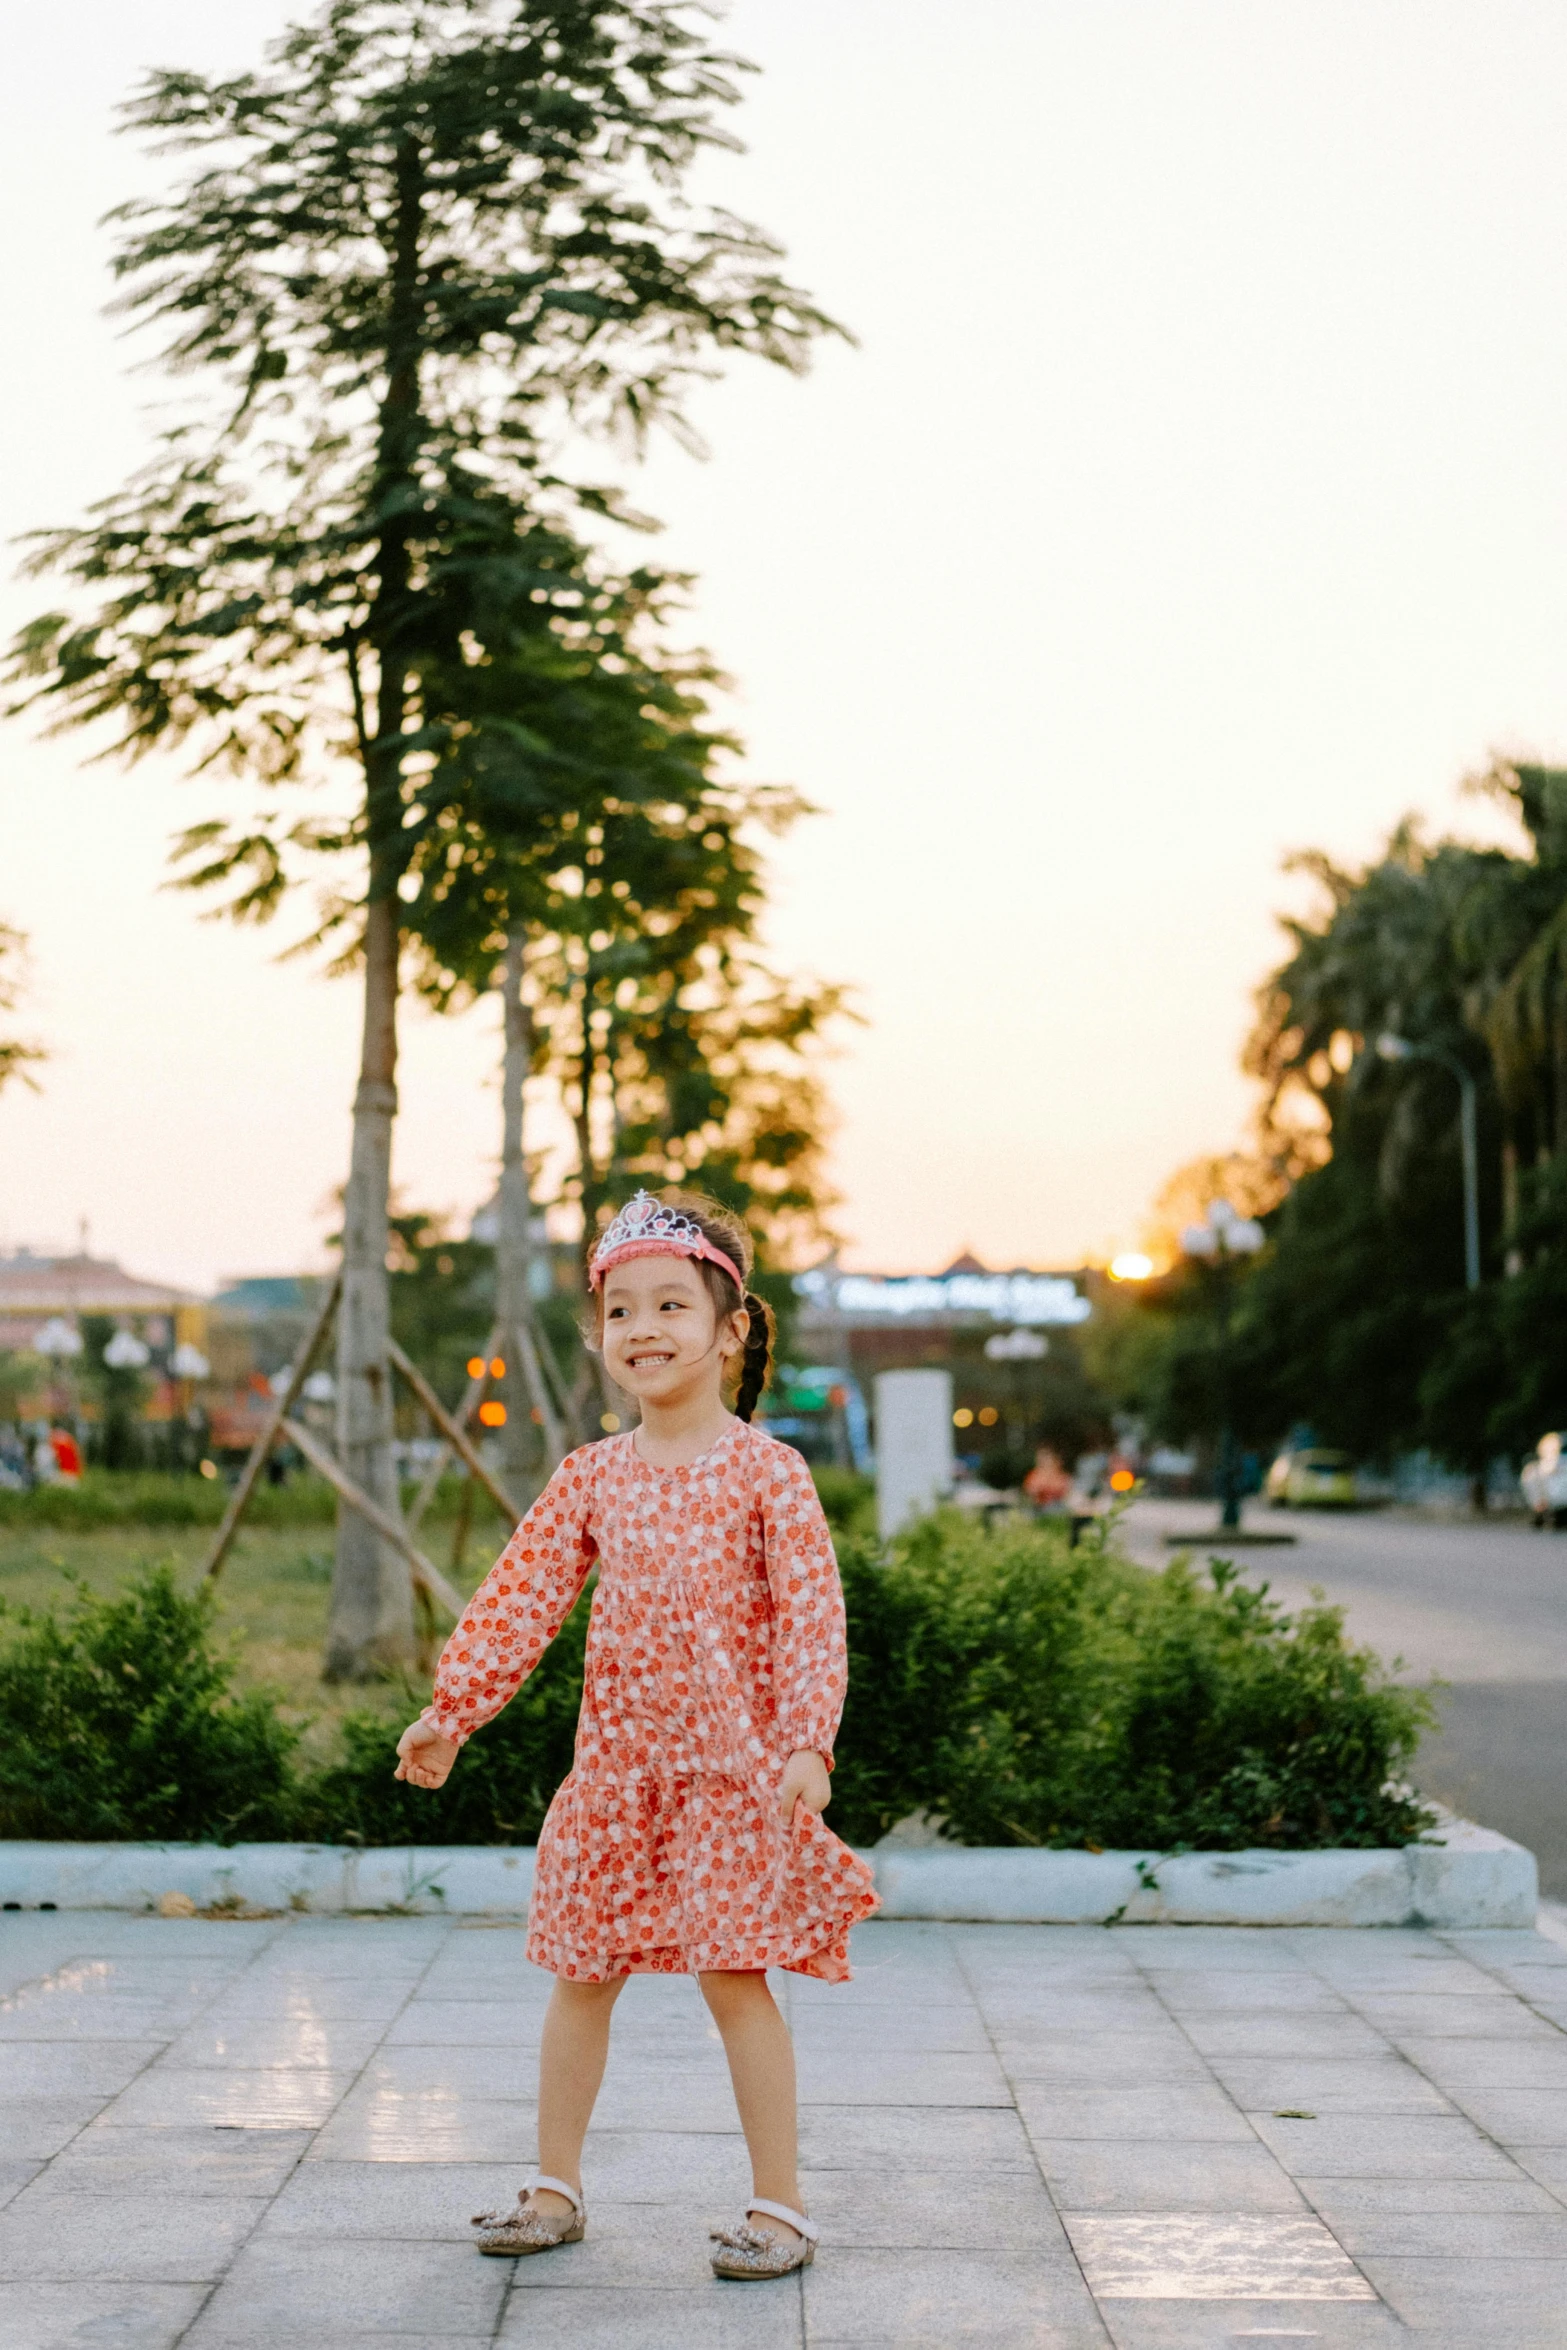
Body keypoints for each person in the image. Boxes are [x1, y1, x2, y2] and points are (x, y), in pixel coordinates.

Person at [394, 1190, 878, 2281]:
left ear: (730, 1325)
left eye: (671, 1304)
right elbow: (520, 1597)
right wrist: (454, 1709)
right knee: (582, 1975)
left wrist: (809, 1742)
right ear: (597, 1331)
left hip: (730, 1780)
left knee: (734, 1980)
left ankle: (780, 2206)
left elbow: (812, 1614)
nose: (645, 1329)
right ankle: (554, 2187)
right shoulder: (592, 1477)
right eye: (621, 1311)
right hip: (615, 1775)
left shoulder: (768, 1474)